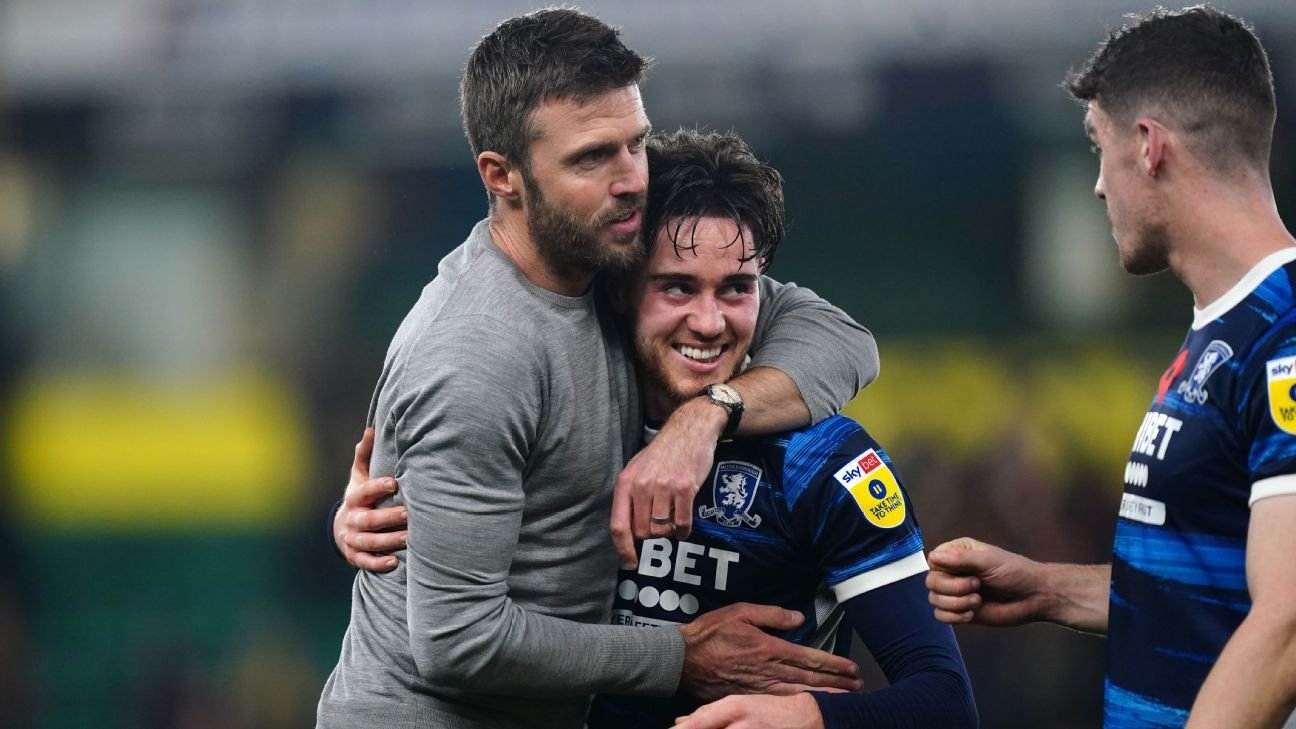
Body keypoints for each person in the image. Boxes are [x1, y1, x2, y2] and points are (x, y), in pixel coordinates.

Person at [317, 9, 878, 729]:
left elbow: (840, 338)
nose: (632, 181)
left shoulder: (611, 262)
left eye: (635, 144)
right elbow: (458, 642)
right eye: (591, 159)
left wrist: (704, 417)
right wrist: (678, 656)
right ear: (502, 175)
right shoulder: (478, 355)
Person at [338, 129, 978, 729]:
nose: (709, 322)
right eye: (676, 288)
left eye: (736, 288)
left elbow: (945, 699)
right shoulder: (555, 406)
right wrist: (380, 508)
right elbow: (455, 611)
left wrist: (805, 718)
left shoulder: (825, 463)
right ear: (620, 287)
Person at [925, 7, 1296, 729]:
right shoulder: (1225, 332)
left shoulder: (1285, 334)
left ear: (1149, 146)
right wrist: (1049, 589)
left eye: (1099, 146)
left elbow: (1286, 622)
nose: (1098, 184)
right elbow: (1216, 589)